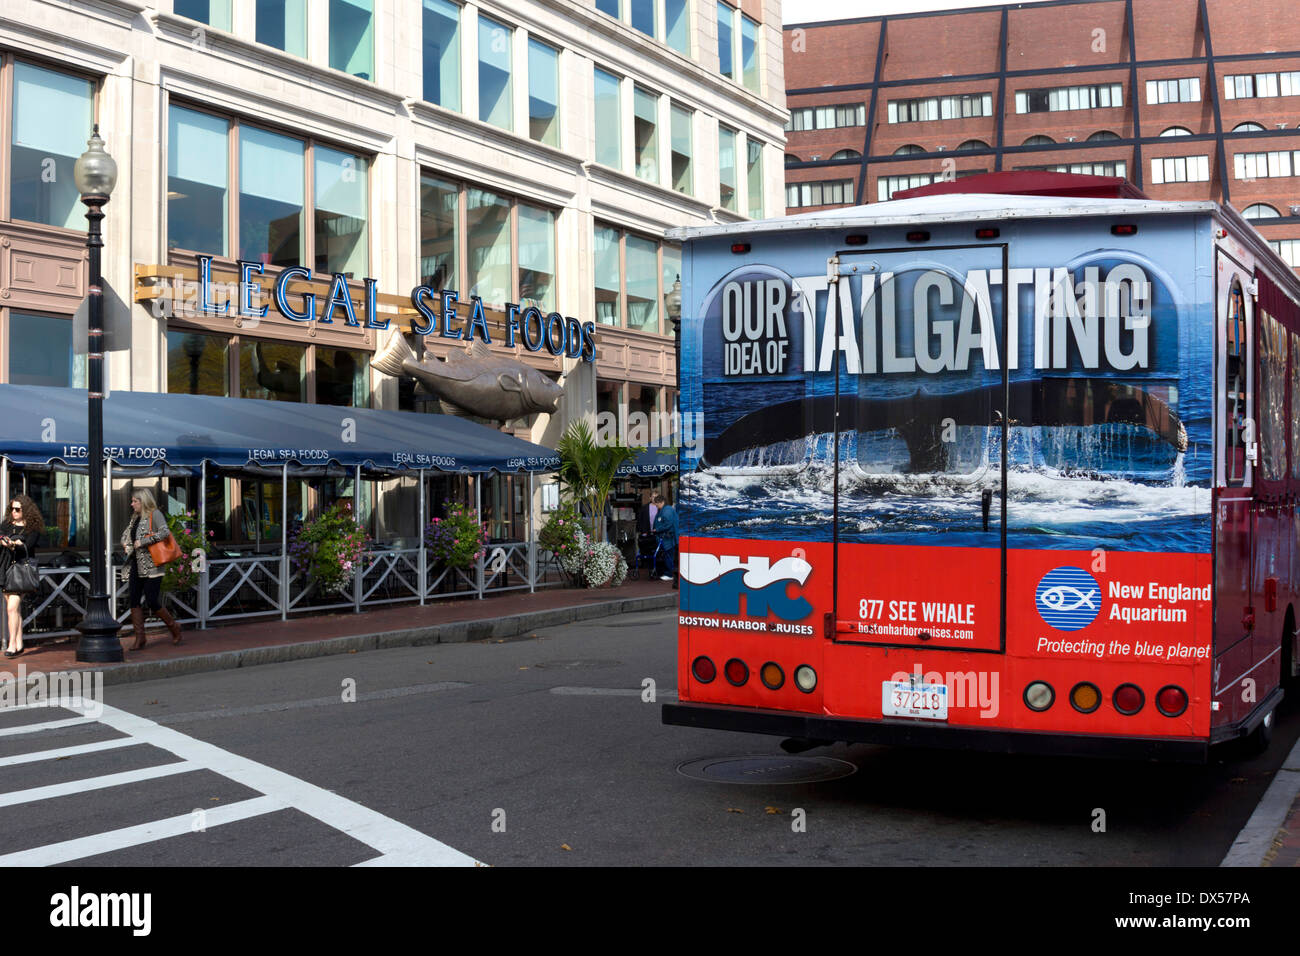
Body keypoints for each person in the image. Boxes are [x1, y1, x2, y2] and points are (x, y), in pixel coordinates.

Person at [120, 488, 182, 649]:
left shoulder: (155, 515)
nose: (132, 504)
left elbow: (165, 532)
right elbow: (126, 534)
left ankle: (174, 627)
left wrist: (144, 542)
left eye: (135, 501)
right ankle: (140, 638)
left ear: (143, 501)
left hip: (153, 565)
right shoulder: (135, 518)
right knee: (133, 599)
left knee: (152, 600)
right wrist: (125, 542)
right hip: (136, 563)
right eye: (132, 501)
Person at [0, 495, 43, 658]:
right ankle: (19, 643)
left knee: (11, 608)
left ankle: (11, 645)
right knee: (14, 610)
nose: (14, 512)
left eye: (18, 509)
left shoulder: (32, 528)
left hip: (20, 569)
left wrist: (16, 544)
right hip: (4, 567)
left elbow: (29, 546)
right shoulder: (6, 524)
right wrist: (4, 541)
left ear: (26, 510)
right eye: (12, 508)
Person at [651, 493, 677, 582]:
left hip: (668, 537)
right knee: (667, 555)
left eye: (657, 504)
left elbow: (668, 524)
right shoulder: (664, 510)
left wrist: (657, 529)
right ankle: (668, 572)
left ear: (662, 502)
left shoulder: (667, 510)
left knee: (668, 555)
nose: (656, 506)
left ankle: (669, 574)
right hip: (664, 537)